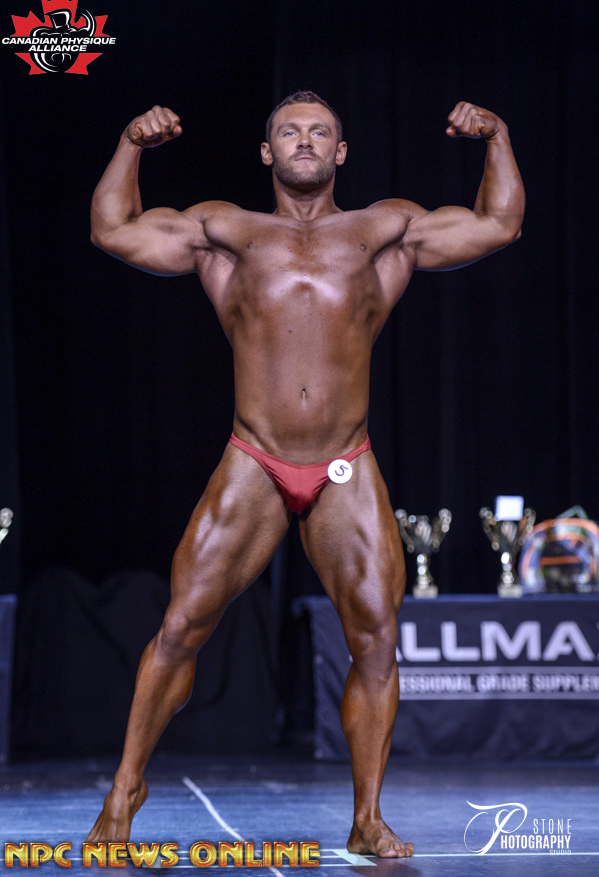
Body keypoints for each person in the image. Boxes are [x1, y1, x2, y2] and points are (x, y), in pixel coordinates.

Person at [86, 92, 524, 857]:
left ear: (340, 152)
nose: (304, 141)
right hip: (252, 458)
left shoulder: (382, 231)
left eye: (320, 132)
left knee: (376, 640)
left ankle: (367, 817)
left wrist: (499, 137)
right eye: (288, 132)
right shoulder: (226, 231)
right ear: (266, 152)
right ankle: (124, 791)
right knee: (182, 626)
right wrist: (130, 143)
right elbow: (112, 229)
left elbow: (498, 224)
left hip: (344, 463)